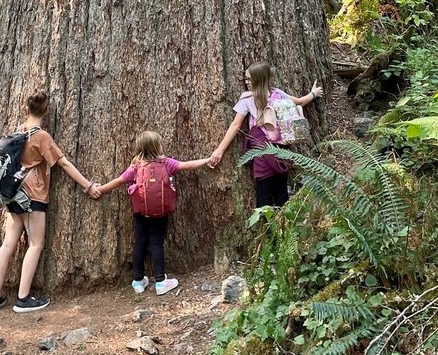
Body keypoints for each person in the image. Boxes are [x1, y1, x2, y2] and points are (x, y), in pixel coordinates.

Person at [0, 90, 101, 314]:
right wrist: (87, 185)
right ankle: (22, 298)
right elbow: (64, 164)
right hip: (33, 195)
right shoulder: (41, 137)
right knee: (36, 244)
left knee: (8, 243)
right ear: (46, 111)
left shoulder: (15, 132)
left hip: (12, 193)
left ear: (26, 109)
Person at [97, 131, 210, 296]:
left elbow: (119, 181)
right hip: (160, 211)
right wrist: (207, 160)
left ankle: (137, 281)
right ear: (158, 146)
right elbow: (187, 165)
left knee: (140, 242)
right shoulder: (166, 164)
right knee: (156, 243)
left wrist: (99, 189)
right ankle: (160, 281)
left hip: (141, 212)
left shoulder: (136, 167)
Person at [210, 62, 323, 208]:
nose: (246, 83)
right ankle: (283, 226)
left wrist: (220, 149)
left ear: (258, 80)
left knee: (265, 197)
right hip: (280, 152)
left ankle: (270, 228)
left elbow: (235, 125)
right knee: (281, 195)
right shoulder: (276, 94)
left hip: (263, 154)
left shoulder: (249, 99)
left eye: (249, 79)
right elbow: (300, 101)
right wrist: (313, 94)